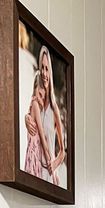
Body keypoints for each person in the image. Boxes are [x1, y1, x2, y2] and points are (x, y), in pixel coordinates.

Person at [24, 46, 65, 185]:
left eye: (47, 68)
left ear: (50, 72)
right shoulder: (37, 100)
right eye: (42, 67)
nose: (44, 73)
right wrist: (26, 118)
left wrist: (54, 166)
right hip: (35, 170)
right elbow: (31, 119)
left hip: (48, 174)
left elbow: (62, 152)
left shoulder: (54, 110)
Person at [23, 72, 54, 180]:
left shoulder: (34, 105)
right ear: (35, 88)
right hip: (33, 156)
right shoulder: (35, 104)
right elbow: (41, 132)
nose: (42, 91)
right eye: (39, 87)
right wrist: (49, 158)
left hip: (34, 155)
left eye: (43, 89)